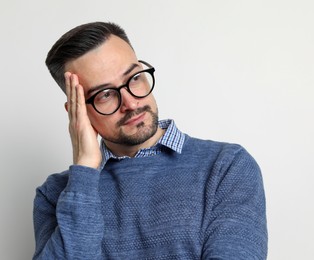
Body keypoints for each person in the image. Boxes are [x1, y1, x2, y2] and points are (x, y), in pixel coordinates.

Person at [33, 21, 267, 259]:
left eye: (134, 78)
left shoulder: (226, 166)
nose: (131, 103)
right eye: (105, 95)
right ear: (77, 110)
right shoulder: (56, 194)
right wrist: (84, 170)